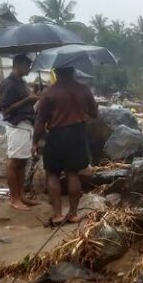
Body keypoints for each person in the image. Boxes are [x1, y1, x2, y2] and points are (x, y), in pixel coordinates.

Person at [32, 66, 98, 225]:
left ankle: (57, 214)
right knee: (73, 174)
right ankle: (73, 214)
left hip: (56, 135)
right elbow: (94, 113)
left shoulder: (49, 92)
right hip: (77, 135)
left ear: (56, 72)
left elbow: (41, 120)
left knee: (52, 173)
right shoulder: (84, 90)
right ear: (73, 72)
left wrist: (35, 142)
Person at [0, 55, 39, 211]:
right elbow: (7, 109)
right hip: (16, 124)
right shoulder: (8, 83)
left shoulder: (22, 82)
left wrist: (32, 99)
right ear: (18, 65)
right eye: (27, 66)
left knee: (22, 162)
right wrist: (29, 100)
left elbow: (25, 101)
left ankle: (21, 195)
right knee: (14, 161)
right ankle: (14, 198)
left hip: (26, 124)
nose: (29, 69)